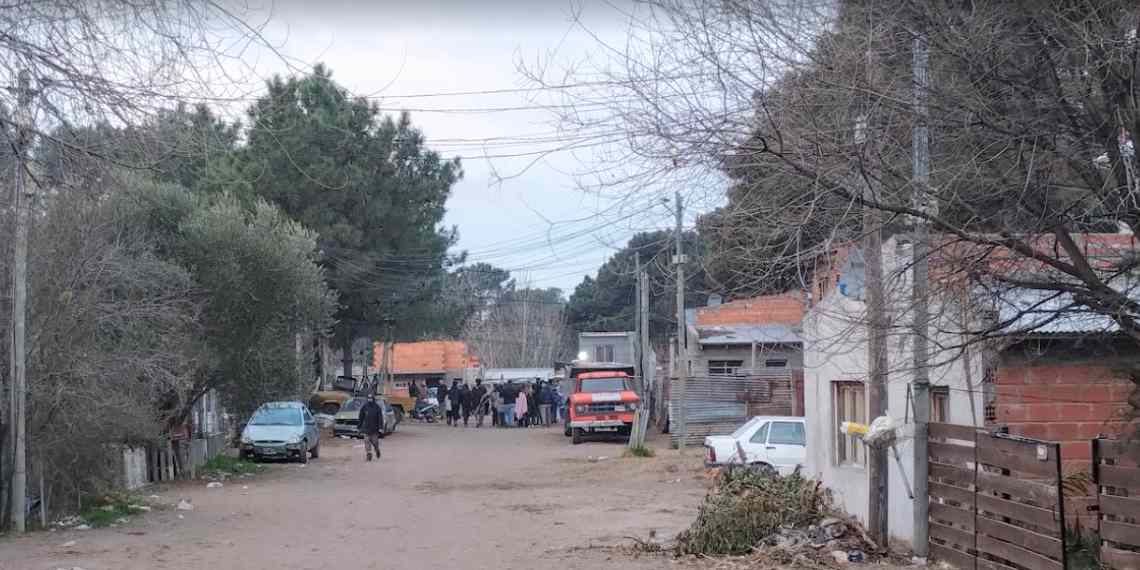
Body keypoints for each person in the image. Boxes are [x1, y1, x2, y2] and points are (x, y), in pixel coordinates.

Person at [358, 394, 385, 461]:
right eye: (368, 398)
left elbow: (380, 418)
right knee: (366, 441)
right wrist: (359, 426)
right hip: (366, 428)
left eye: (371, 398)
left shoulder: (377, 407)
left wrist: (380, 427)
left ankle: (377, 450)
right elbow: (361, 417)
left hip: (374, 429)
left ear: (373, 399)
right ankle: (369, 454)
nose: (370, 400)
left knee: (375, 442)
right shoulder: (365, 406)